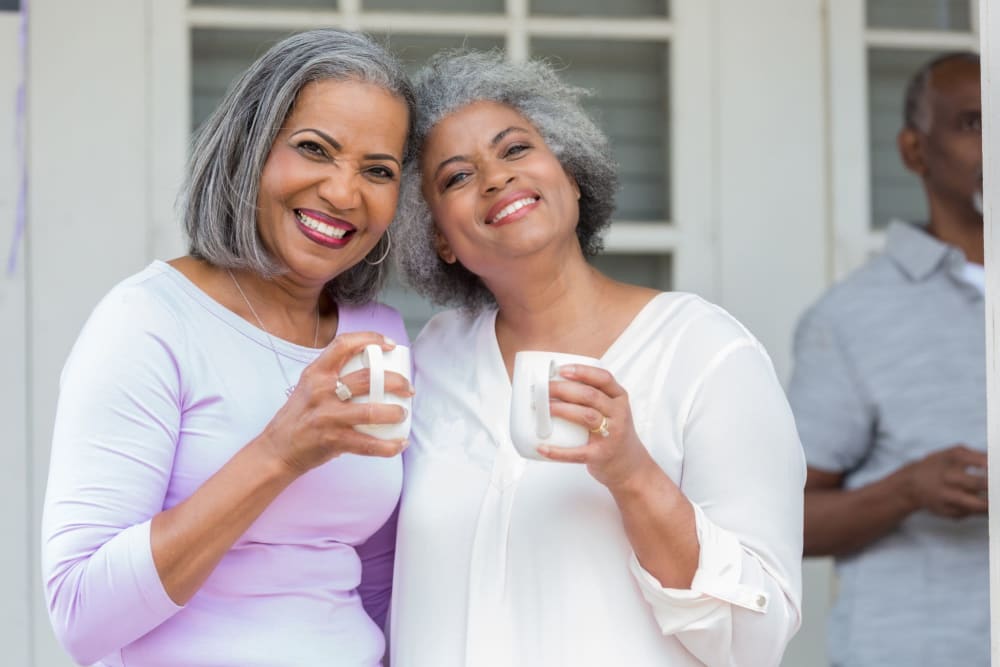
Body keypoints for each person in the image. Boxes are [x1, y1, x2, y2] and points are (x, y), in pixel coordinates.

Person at [389, 50, 805, 667]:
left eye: (516, 149)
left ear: (573, 177)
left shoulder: (705, 353)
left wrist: (632, 473)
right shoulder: (430, 361)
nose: (496, 177)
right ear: (439, 240)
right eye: (456, 177)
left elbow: (756, 637)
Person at [41, 29, 414, 667]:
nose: (344, 192)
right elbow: (80, 615)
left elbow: (381, 583)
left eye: (377, 170)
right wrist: (280, 452)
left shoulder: (377, 333)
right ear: (247, 149)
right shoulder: (149, 322)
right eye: (313, 149)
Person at [789, 51, 987, 667]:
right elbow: (784, 520)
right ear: (913, 150)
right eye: (973, 123)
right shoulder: (849, 318)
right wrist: (908, 490)